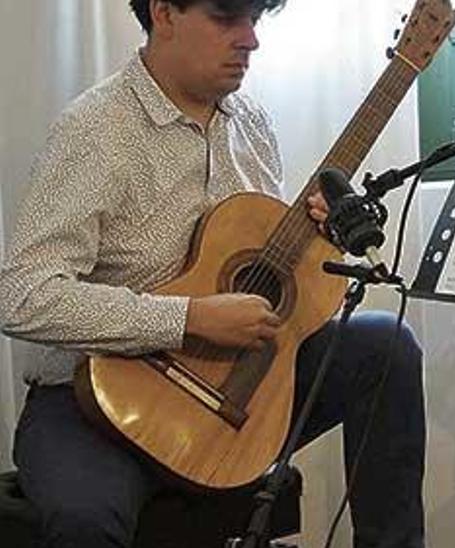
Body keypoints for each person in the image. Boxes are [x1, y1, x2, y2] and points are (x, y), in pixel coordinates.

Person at [0, 1, 426, 546]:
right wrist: (189, 319)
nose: (250, 40)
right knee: (86, 520)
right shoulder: (93, 132)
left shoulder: (251, 123)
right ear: (164, 13)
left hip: (234, 385)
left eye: (254, 19)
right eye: (227, 19)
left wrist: (316, 239)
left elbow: (260, 278)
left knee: (385, 346)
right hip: (92, 402)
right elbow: (24, 295)